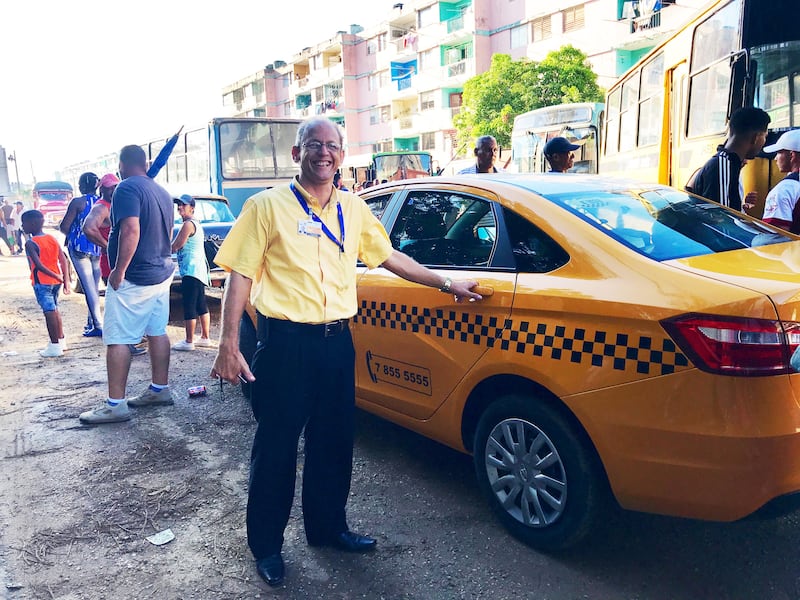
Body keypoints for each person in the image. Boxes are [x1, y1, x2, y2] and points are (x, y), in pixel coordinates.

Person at [210, 116, 482, 588]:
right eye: (314, 145)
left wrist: (447, 282)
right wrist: (229, 342)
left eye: (332, 146)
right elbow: (241, 274)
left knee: (334, 441)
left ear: (342, 154)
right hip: (286, 344)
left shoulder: (353, 209)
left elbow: (390, 257)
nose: (324, 153)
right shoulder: (265, 206)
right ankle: (268, 548)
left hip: (337, 342)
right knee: (276, 447)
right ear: (297, 154)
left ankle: (328, 528)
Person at [79, 145, 175, 424]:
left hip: (136, 276)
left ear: (122, 164)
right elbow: (166, 232)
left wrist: (119, 270)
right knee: (157, 330)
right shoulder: (162, 192)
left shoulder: (126, 189)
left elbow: (131, 229)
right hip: (161, 271)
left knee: (118, 338)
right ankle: (160, 389)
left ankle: (115, 405)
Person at [82, 173, 146, 357]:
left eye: (115, 186)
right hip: (112, 265)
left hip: (118, 263)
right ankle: (125, 346)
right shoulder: (102, 207)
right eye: (109, 187)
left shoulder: (114, 203)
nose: (113, 189)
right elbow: (88, 228)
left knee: (127, 304)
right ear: (101, 188)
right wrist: (107, 245)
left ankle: (129, 344)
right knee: (122, 306)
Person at [685, 107, 771, 210]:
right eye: (765, 136)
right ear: (755, 138)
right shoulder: (722, 166)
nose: (764, 141)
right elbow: (721, 219)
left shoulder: (728, 164)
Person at [21, 210, 71, 357]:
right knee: (55, 310)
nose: (22, 226)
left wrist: (55, 275)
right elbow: (63, 259)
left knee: (49, 312)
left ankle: (54, 345)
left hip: (42, 282)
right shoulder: (51, 238)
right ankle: (61, 340)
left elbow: (38, 265)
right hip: (56, 282)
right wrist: (64, 279)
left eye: (24, 223)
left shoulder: (31, 243)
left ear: (32, 223)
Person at [60, 172, 104, 337]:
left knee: (89, 288)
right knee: (94, 285)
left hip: (79, 247)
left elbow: (65, 226)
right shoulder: (101, 203)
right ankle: (92, 322)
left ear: (80, 186)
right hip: (97, 247)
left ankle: (98, 325)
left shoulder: (78, 202)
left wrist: (71, 233)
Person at [171, 194, 213, 351]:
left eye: (183, 205)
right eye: (179, 205)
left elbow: (176, 245)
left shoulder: (188, 225)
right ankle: (205, 337)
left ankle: (189, 341)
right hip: (199, 269)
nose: (180, 207)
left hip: (191, 269)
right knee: (201, 303)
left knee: (189, 304)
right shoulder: (196, 223)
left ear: (192, 208)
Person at [761, 129, 800, 233]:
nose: (775, 158)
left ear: (792, 155)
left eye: (778, 152)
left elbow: (775, 236)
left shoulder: (785, 189)